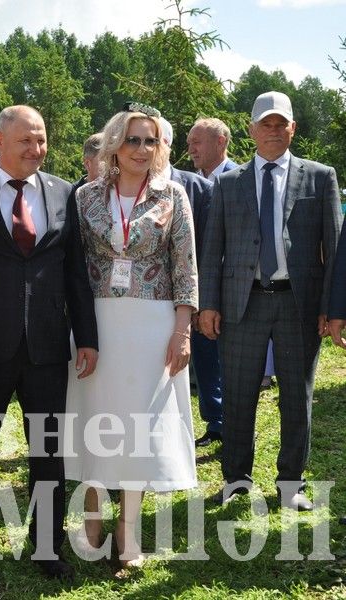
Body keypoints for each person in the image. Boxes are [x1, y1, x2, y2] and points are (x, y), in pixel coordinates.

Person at [0, 105, 98, 585]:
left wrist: (86, 337)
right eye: (26, 140)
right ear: (0, 143)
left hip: (48, 348)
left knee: (48, 452)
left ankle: (46, 546)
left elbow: (75, 271)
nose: (36, 149)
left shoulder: (63, 192)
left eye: (42, 139)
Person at [65, 105, 198, 571]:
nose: (143, 149)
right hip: (97, 325)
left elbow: (186, 267)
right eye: (134, 140)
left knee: (140, 427)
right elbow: (73, 270)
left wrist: (182, 331)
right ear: (114, 145)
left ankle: (130, 532)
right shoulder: (84, 198)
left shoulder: (173, 196)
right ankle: (92, 520)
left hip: (153, 324)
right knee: (98, 420)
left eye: (152, 141)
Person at [199, 91, 343, 511]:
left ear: (293, 128)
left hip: (298, 305)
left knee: (296, 397)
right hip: (243, 305)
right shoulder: (228, 183)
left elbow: (334, 249)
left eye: (282, 123)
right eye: (266, 123)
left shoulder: (320, 177)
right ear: (251, 130)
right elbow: (212, 250)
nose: (274, 130)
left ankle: (290, 484)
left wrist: (333, 310)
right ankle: (237, 479)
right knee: (240, 395)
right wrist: (209, 303)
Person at [160, 117, 223, 447]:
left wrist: (204, 299)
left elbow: (212, 249)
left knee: (203, 359)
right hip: (150, 301)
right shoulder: (128, 185)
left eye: (157, 141)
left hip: (192, 297)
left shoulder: (199, 188)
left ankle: (216, 422)